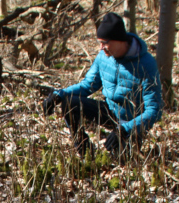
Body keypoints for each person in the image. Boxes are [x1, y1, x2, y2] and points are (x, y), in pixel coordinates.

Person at [42, 12, 163, 159]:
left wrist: (124, 129)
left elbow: (154, 110)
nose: (101, 47)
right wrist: (59, 95)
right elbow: (87, 86)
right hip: (110, 112)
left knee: (122, 160)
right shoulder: (103, 57)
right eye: (100, 42)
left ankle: (127, 147)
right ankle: (86, 152)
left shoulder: (146, 64)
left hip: (131, 122)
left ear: (119, 40)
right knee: (70, 102)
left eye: (105, 43)